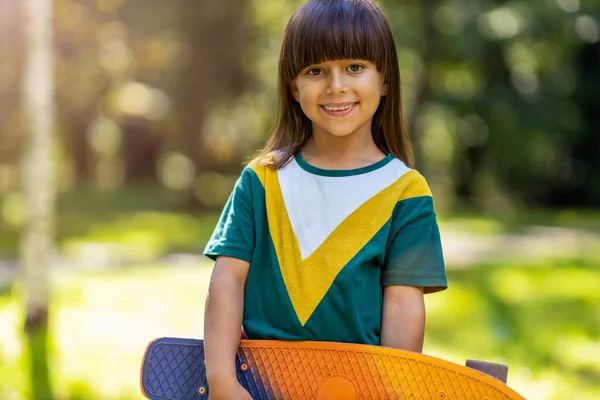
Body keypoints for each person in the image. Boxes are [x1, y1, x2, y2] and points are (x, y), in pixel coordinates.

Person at [202, 0, 448, 398]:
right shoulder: (261, 181)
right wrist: (222, 382)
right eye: (315, 71)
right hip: (256, 383)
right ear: (293, 87)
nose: (336, 85)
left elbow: (403, 306)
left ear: (385, 80)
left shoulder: (406, 192)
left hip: (358, 386)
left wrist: (391, 392)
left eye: (355, 67)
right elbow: (227, 281)